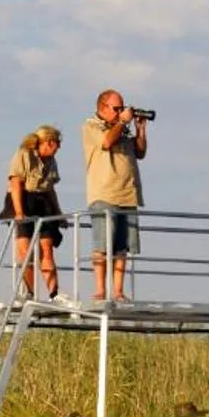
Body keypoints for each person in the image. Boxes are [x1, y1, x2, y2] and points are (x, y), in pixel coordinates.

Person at [81, 89, 149, 302]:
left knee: (122, 247)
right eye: (116, 108)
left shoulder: (123, 130)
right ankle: (100, 290)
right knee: (102, 244)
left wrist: (140, 129)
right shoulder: (91, 126)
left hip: (128, 194)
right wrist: (122, 122)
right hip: (104, 194)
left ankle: (118, 291)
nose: (121, 112)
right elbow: (107, 142)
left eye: (122, 108)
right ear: (102, 107)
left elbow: (140, 153)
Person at [2, 125, 65, 299]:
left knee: (47, 247)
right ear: (49, 142)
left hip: (43, 201)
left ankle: (54, 293)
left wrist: (59, 213)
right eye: (57, 143)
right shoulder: (24, 154)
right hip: (22, 199)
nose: (59, 147)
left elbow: (50, 189)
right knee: (25, 249)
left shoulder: (51, 160)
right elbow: (16, 182)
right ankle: (29, 292)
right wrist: (19, 212)